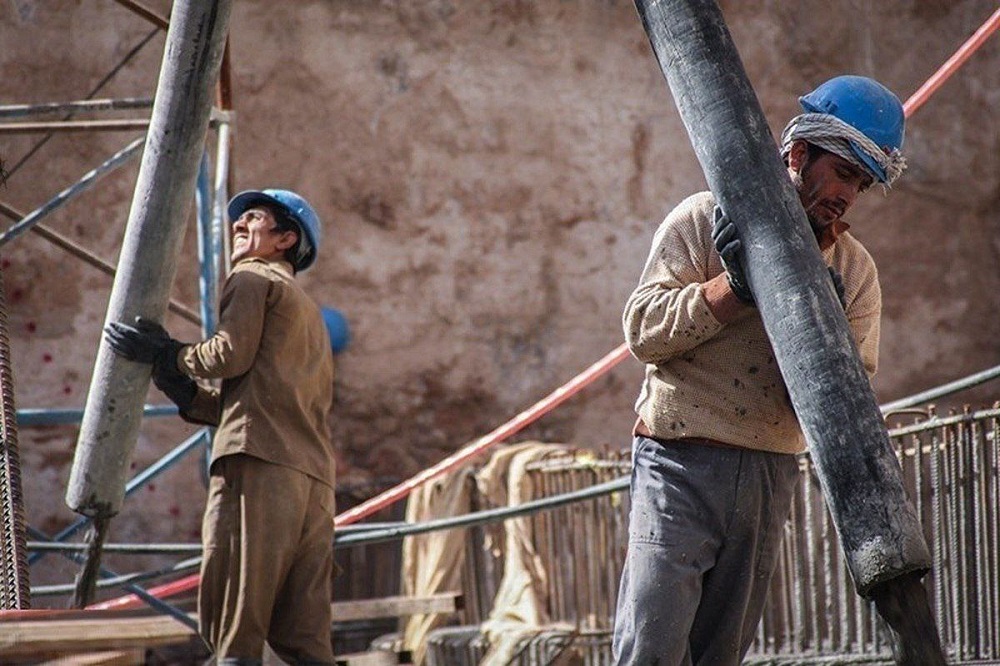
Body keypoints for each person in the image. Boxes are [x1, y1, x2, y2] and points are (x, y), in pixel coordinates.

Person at [612, 75, 907, 665]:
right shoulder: (702, 221)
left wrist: (814, 321)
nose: (848, 196)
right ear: (799, 154)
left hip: (769, 474)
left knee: (720, 652)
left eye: (862, 184)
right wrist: (734, 288)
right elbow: (643, 332)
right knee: (652, 642)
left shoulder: (853, 272)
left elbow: (844, 409)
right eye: (843, 173)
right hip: (680, 462)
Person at [105, 189, 337, 666]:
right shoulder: (309, 312)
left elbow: (227, 356)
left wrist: (170, 354)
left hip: (260, 465)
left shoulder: (253, 277)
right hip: (312, 483)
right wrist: (180, 386)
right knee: (305, 638)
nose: (238, 225)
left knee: (235, 619)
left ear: (285, 239)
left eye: (253, 218)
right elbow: (263, 401)